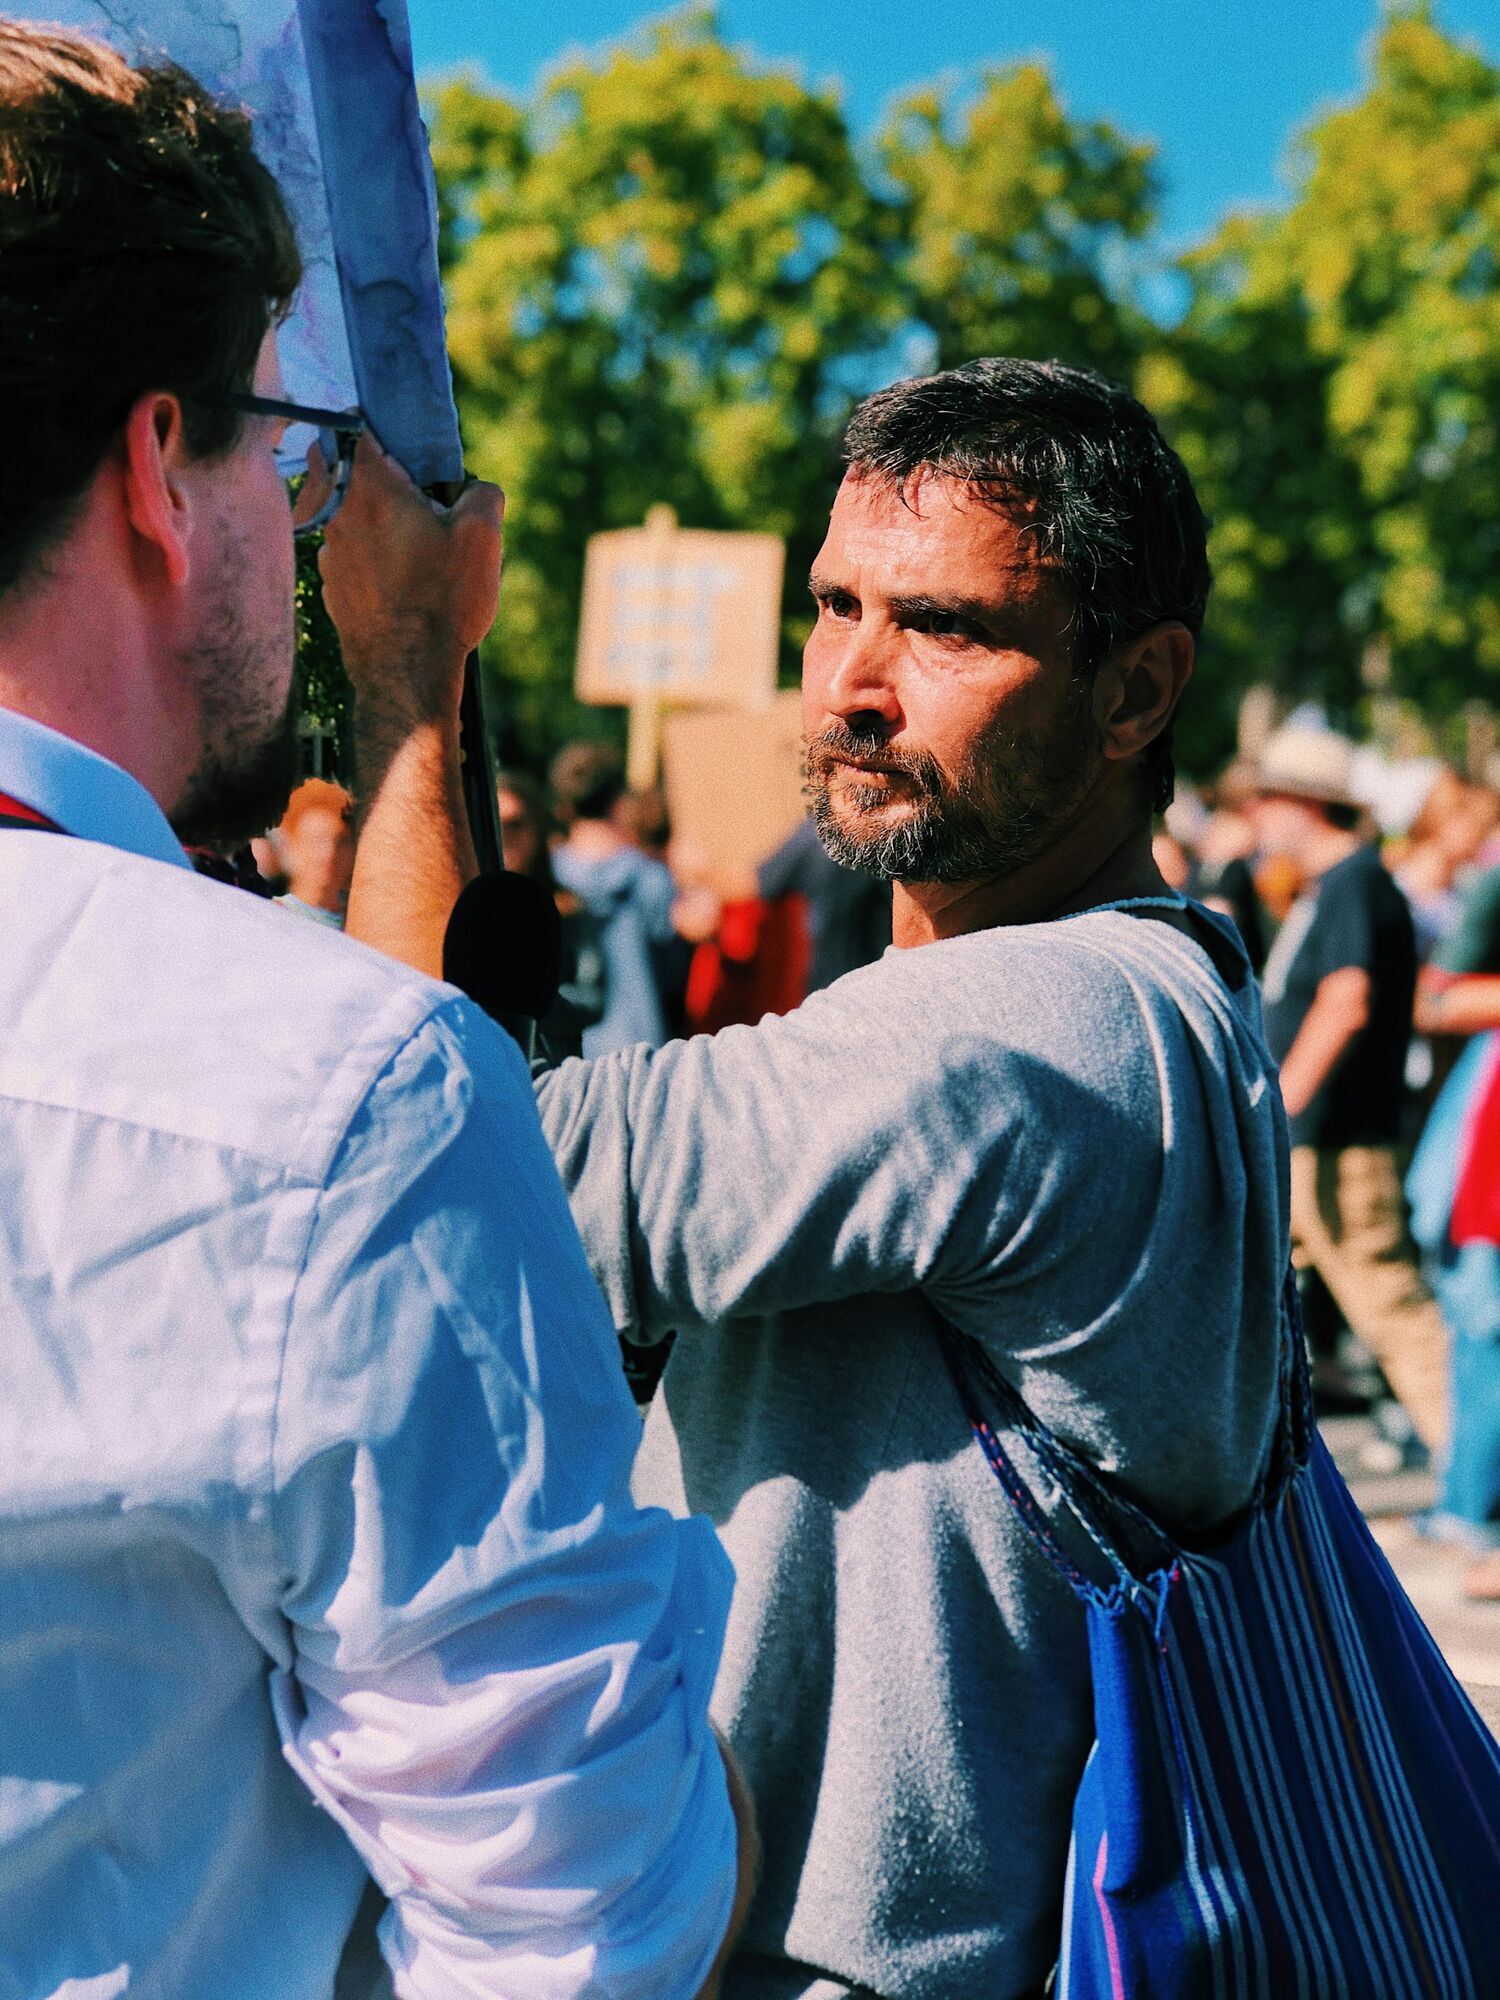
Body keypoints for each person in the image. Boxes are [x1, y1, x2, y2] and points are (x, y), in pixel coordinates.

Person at [346, 358, 1290, 2000]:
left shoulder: (1030, 1022)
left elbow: (446, 1159)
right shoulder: (1149, 985)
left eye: (947, 630)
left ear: (1138, 690)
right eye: (834, 606)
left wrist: (407, 668)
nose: (855, 683)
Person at [0, 24, 749, 1998]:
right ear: (165, 468)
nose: (299, 512)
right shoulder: (330, 1094)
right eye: (288, 447)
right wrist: (416, 694)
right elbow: (570, 1921)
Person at [1248, 726, 1451, 1454]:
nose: (1257, 816)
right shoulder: (1333, 886)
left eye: (1267, 798)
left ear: (1305, 804)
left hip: (1338, 1147)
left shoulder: (1357, 882)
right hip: (1319, 1144)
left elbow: (1345, 1002)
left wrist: (1276, 1105)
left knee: (1393, 1312)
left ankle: (1477, 1485)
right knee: (1250, 1303)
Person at [548, 741, 682, 1053]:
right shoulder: (651, 878)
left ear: (564, 807)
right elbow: (674, 974)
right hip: (642, 1050)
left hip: (568, 1052)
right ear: (618, 803)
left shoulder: (550, 879)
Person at [276, 772, 355, 926]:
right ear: (292, 844)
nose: (329, 853)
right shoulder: (272, 915)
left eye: (340, 842)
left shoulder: (360, 924)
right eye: (317, 840)